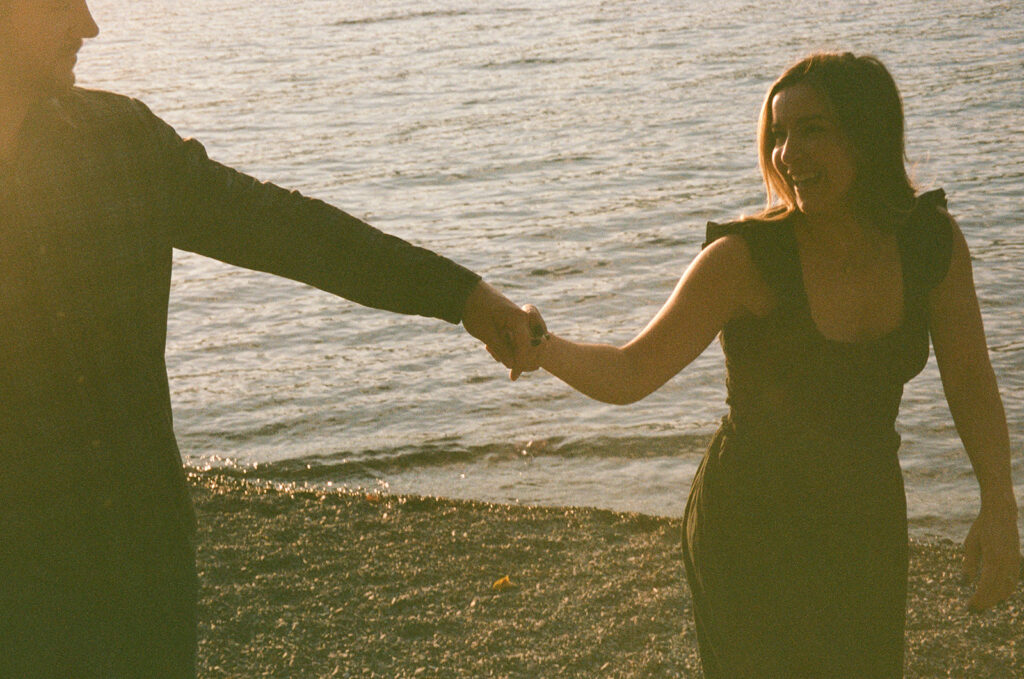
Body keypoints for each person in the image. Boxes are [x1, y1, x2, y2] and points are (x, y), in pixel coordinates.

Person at [0, 1, 531, 676]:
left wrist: (461, 297)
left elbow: (284, 230)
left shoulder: (121, 145)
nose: (88, 26)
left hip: (143, 574)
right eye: (59, 5)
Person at [509, 52, 1020, 677]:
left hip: (865, 516)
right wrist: (544, 348)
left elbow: (971, 382)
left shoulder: (931, 242)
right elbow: (631, 372)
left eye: (812, 130)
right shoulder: (744, 259)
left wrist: (998, 505)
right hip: (750, 525)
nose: (787, 154)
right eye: (778, 134)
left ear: (868, 132)